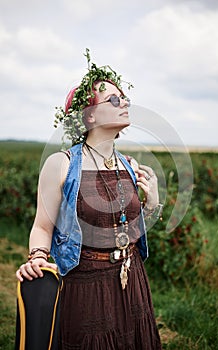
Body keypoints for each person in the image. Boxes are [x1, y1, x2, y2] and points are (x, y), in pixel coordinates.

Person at [16, 49, 163, 349]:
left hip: (132, 282)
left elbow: (129, 227)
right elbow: (43, 227)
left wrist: (152, 201)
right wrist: (38, 259)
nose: (123, 103)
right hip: (87, 289)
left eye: (124, 98)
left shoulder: (129, 166)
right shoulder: (61, 165)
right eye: (113, 99)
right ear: (90, 114)